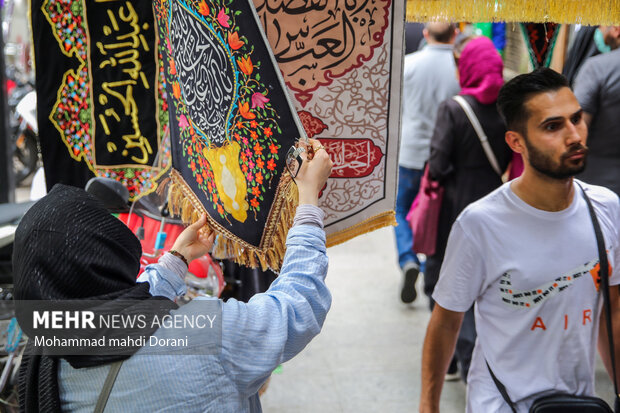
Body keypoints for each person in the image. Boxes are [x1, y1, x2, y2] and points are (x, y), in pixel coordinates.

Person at [14, 138, 333, 412]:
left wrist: (176, 259)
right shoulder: (203, 334)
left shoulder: (53, 344)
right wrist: (307, 200)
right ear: (110, 257)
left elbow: (124, 315)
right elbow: (297, 307)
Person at [419, 68, 620, 413]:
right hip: (499, 405)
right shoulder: (480, 224)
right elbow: (446, 321)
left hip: (577, 405)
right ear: (516, 142)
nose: (574, 135)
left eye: (576, 119)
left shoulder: (606, 207)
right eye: (553, 126)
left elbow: (611, 311)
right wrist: (428, 406)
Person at [424, 36, 512, 381]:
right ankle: (477, 355)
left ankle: (456, 358)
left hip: (454, 206)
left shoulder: (454, 108)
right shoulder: (507, 109)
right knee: (483, 284)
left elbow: (438, 163)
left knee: (446, 279)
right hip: (493, 201)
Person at [396, 22, 460, 304]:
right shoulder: (460, 67)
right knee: (439, 212)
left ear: (425, 34)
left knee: (402, 210)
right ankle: (435, 268)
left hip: (410, 151)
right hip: (445, 155)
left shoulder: (408, 64)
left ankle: (409, 258)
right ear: (455, 33)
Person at [573, 25, 620, 196]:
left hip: (597, 186)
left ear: (616, 29)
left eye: (602, 25)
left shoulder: (597, 68)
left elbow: (576, 129)